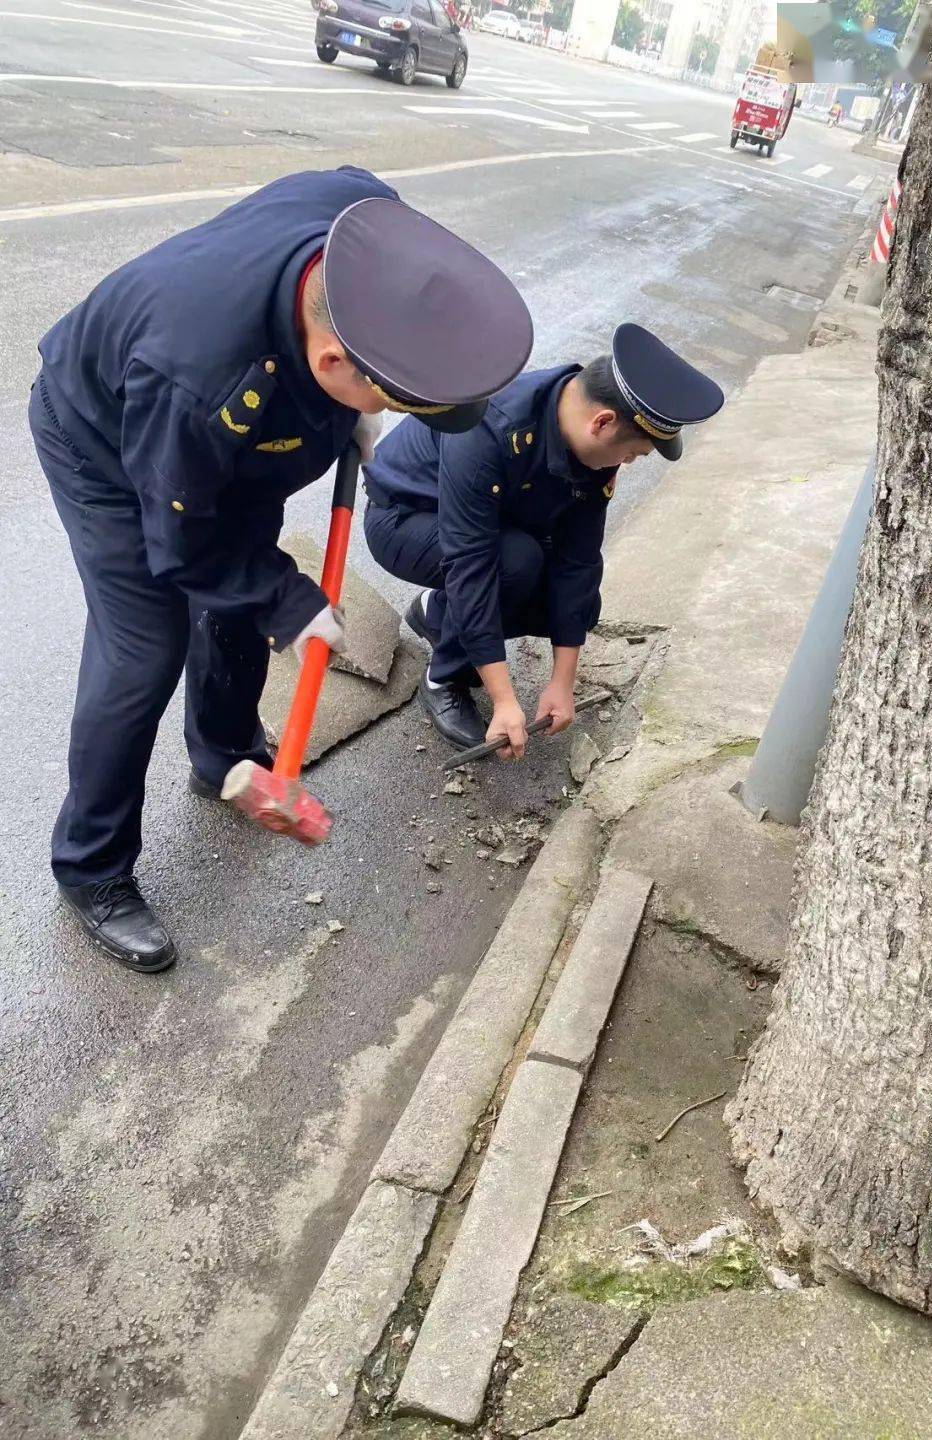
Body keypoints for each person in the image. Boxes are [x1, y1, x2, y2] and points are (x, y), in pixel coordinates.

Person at [30, 166, 533, 973]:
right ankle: (91, 867)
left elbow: (376, 211)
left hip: (243, 440)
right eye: (394, 401)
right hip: (111, 445)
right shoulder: (194, 379)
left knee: (239, 604)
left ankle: (222, 750)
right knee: (146, 647)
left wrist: (349, 421)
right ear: (334, 361)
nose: (397, 416)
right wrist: (288, 598)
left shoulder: (356, 227)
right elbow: (185, 543)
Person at [363, 324, 724, 758]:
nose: (627, 463)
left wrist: (563, 681)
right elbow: (470, 561)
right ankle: (443, 677)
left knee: (580, 605)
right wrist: (503, 699)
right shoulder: (491, 425)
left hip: (490, 529)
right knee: (515, 562)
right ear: (603, 422)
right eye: (632, 454)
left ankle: (437, 612)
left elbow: (579, 561)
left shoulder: (592, 451)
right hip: (405, 519)